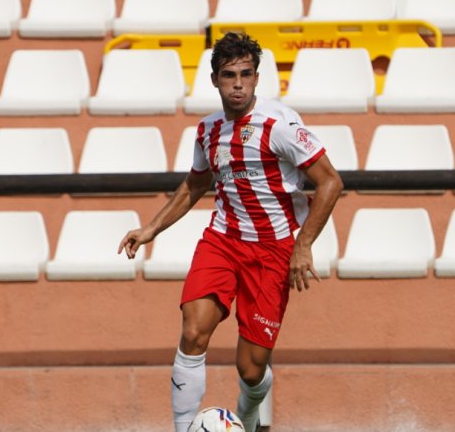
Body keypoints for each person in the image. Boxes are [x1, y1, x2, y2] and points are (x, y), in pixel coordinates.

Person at [119, 32, 343, 432]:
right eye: (228, 75)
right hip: (222, 241)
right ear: (214, 80)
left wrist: (302, 246)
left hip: (272, 250)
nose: (237, 83)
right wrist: (151, 228)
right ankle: (184, 428)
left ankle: (251, 417)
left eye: (245, 74)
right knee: (193, 330)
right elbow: (195, 184)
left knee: (252, 368)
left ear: (256, 79)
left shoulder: (280, 125)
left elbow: (330, 182)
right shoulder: (207, 131)